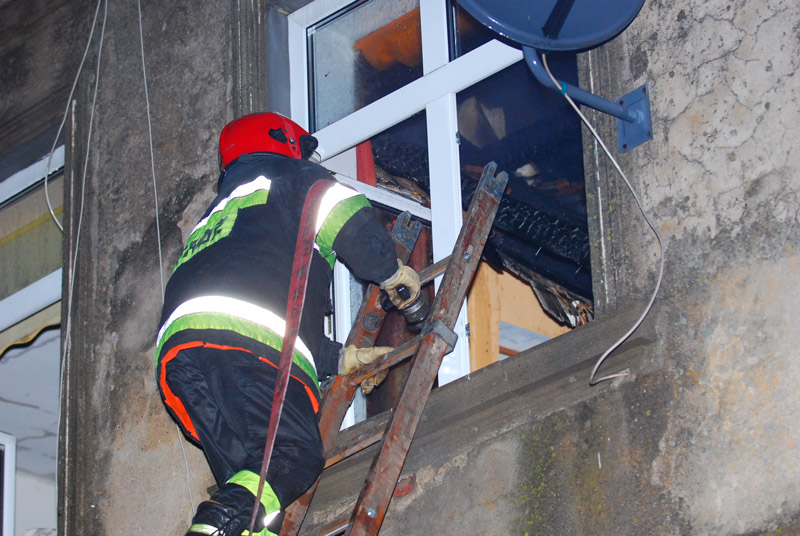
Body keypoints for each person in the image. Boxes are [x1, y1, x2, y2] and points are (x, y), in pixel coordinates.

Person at [155, 112, 421, 536]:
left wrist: (339, 359)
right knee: (294, 454)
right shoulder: (293, 177)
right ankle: (212, 525)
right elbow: (349, 220)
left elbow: (272, 297)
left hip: (183, 359)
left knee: (255, 484)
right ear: (283, 142)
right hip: (245, 343)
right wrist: (391, 272)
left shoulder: (221, 215)